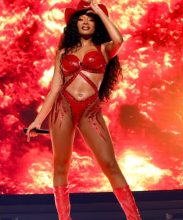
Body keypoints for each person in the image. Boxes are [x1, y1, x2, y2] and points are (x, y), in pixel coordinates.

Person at [26, 0, 141, 219]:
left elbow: (119, 39)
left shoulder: (105, 49)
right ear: (73, 24)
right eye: (81, 18)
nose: (86, 22)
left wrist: (98, 10)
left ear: (97, 23)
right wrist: (37, 121)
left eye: (91, 19)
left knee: (109, 163)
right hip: (63, 107)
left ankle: (135, 218)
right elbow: (54, 89)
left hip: (90, 110)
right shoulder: (62, 53)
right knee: (61, 165)